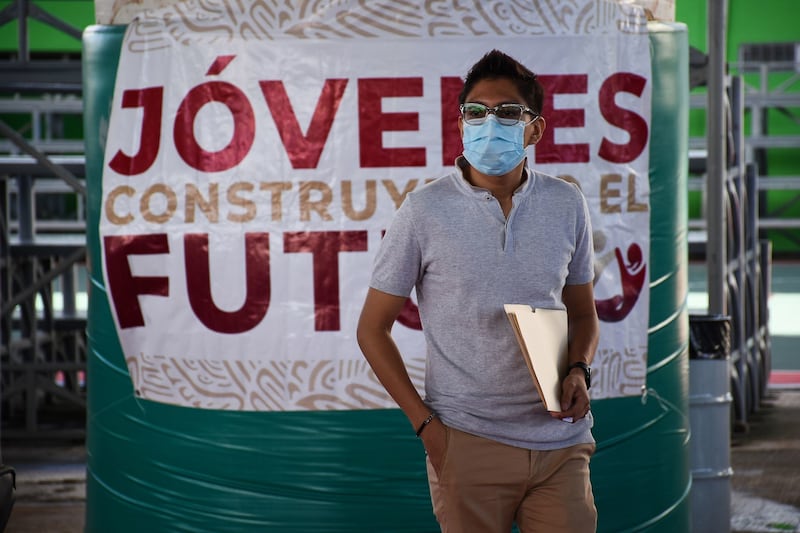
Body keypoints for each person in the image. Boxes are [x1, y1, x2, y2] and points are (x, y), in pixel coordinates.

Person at [356, 49, 600, 533]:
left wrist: (579, 369)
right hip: (466, 440)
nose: (490, 123)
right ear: (461, 125)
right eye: (476, 112)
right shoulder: (424, 210)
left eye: (508, 112)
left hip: (560, 443)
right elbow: (372, 330)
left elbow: (584, 314)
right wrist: (429, 430)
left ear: (535, 129)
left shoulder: (566, 202)